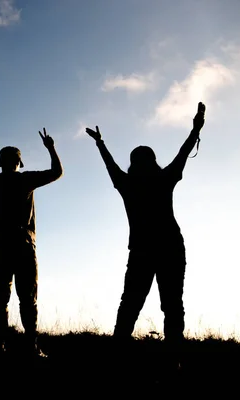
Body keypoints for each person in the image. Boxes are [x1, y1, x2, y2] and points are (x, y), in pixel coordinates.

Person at [85, 102, 206, 354]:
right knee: (169, 305)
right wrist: (195, 130)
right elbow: (183, 153)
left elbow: (110, 165)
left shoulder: (127, 183)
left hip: (146, 250)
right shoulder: (163, 178)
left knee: (132, 303)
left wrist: (100, 143)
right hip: (169, 248)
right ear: (153, 162)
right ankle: (172, 359)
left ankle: (120, 355)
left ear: (134, 163)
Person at [0, 128, 63, 356]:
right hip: (23, 246)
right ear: (19, 162)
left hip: (0, 247)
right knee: (28, 299)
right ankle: (31, 345)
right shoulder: (25, 179)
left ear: (0, 162)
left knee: (0, 299)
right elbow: (57, 172)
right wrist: (51, 148)